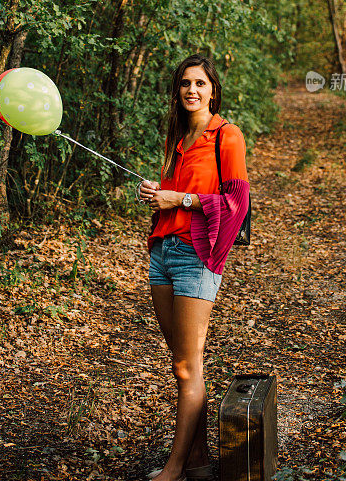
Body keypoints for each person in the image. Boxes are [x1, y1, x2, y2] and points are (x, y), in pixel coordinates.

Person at [139, 54, 250, 481]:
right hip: (162, 253)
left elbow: (236, 205)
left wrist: (180, 199)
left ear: (213, 90)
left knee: (188, 366)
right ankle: (200, 460)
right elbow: (174, 194)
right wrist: (156, 191)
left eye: (200, 83)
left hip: (196, 257)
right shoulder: (178, 138)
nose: (192, 90)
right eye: (185, 83)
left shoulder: (228, 137)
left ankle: (174, 468)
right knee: (182, 364)